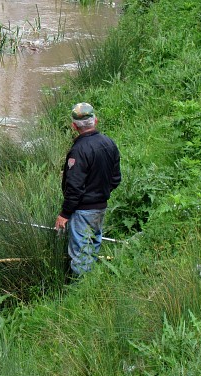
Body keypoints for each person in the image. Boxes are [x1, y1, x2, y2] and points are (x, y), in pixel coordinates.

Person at [54, 103, 121, 275]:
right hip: (101, 208)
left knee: (80, 254)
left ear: (74, 126)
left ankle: (80, 290)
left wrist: (64, 214)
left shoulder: (78, 150)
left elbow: (74, 188)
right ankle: (90, 282)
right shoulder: (109, 143)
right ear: (95, 121)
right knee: (92, 245)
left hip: (83, 211)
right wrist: (99, 193)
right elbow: (115, 179)